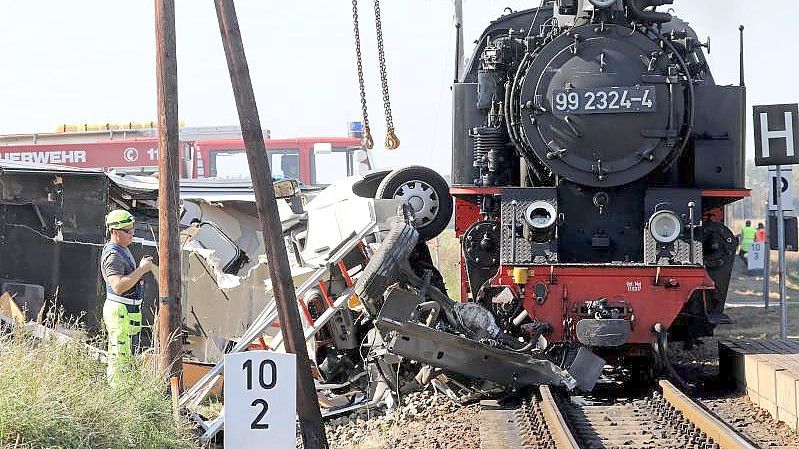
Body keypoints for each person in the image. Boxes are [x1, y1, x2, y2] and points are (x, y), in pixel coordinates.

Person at [101, 209, 154, 382]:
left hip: (128, 310)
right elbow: (118, 286)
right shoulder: (113, 255)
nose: (132, 233)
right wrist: (142, 269)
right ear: (115, 232)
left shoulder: (122, 248)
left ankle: (125, 389)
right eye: (127, 230)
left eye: (132, 229)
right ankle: (117, 393)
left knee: (129, 355)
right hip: (120, 309)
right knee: (120, 355)